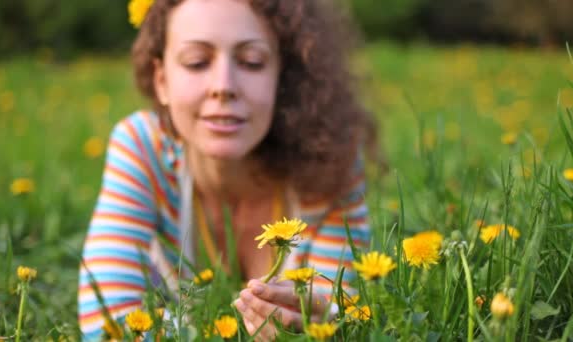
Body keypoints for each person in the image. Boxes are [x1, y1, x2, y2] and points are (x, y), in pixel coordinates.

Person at [78, 0, 379, 340]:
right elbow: (108, 324)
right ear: (161, 80)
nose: (224, 85)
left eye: (252, 62)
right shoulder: (142, 147)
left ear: (283, 77)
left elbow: (340, 312)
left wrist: (314, 324)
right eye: (197, 62)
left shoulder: (330, 159)